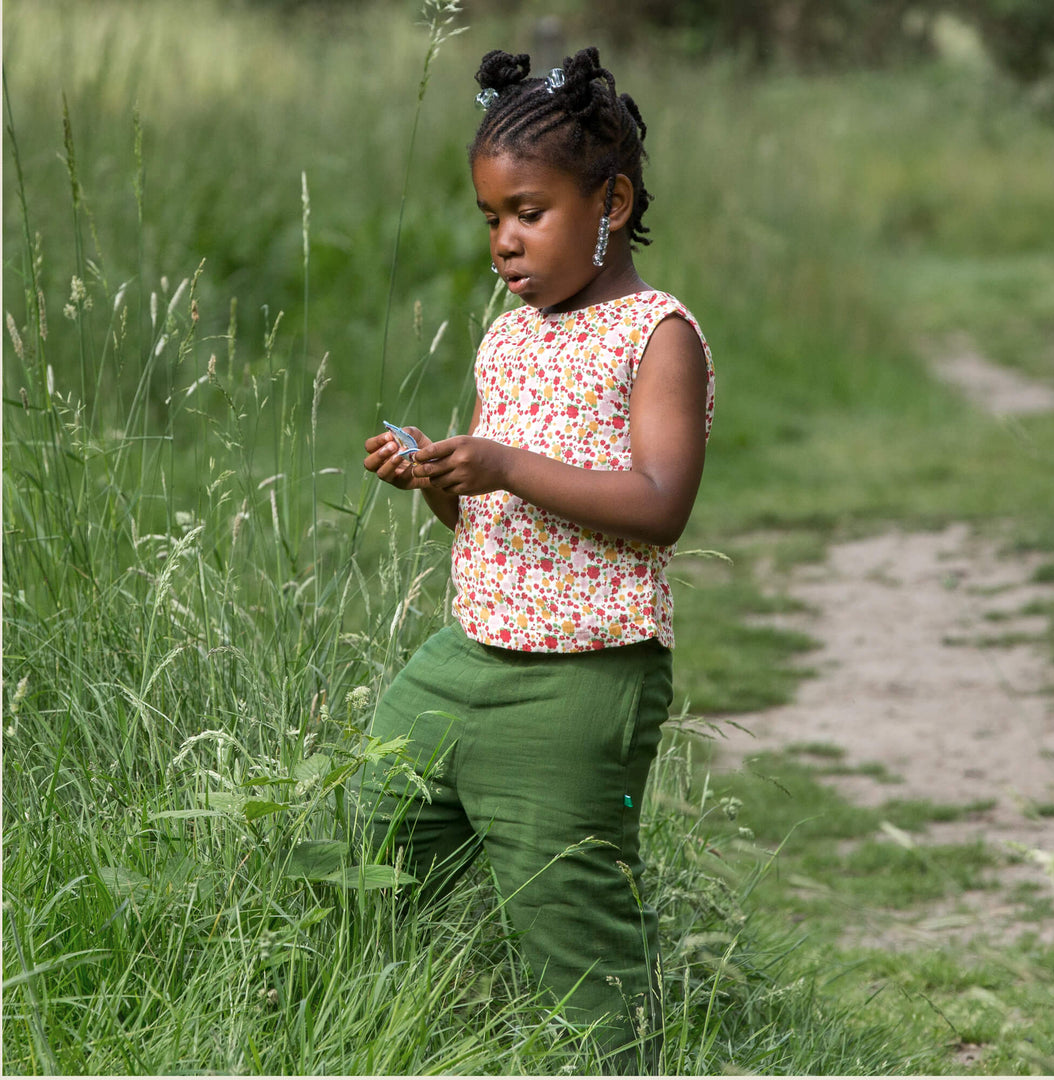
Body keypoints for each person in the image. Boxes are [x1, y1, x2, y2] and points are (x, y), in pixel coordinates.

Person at [361, 45, 715, 1072]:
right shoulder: (507, 340)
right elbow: (484, 522)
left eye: (529, 211)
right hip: (466, 657)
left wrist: (507, 462)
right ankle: (355, 1022)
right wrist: (438, 478)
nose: (505, 243)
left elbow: (661, 505)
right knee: (360, 851)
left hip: (582, 674)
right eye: (491, 220)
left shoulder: (656, 335)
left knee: (571, 915)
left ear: (612, 199)